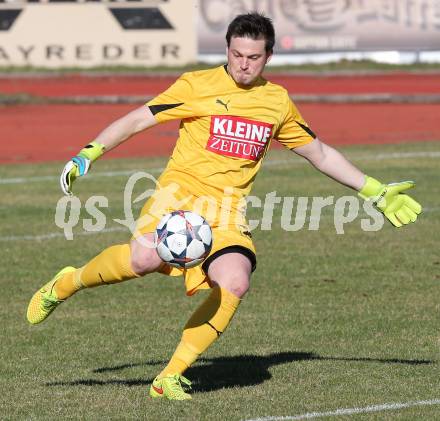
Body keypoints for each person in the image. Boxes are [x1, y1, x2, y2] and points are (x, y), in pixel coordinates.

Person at [26, 12, 422, 400]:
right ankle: (66, 283)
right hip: (177, 198)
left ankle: (169, 377)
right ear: (227, 49)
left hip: (227, 210)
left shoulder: (276, 101)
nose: (243, 64)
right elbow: (138, 119)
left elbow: (317, 152)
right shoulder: (197, 84)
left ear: (268, 57)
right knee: (142, 261)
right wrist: (88, 153)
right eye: (236, 54)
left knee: (235, 281)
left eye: (253, 57)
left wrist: (374, 190)